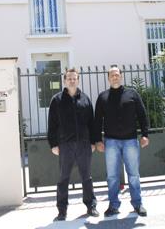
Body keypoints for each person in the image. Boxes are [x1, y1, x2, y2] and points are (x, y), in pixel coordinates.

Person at [93, 65, 149, 217]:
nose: (115, 77)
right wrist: (97, 140)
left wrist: (145, 135)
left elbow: (142, 115)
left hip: (130, 141)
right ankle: (113, 205)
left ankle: (137, 204)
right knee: (112, 176)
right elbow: (97, 120)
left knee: (133, 174)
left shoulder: (132, 94)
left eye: (117, 74)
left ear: (121, 76)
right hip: (111, 142)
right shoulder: (103, 97)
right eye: (112, 75)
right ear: (108, 78)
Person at [47, 68, 99, 221]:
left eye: (74, 78)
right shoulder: (57, 100)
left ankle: (91, 206)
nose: (71, 80)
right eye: (69, 78)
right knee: (64, 178)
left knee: (87, 177)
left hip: (84, 144)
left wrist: (93, 142)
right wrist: (53, 144)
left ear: (78, 80)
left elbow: (92, 122)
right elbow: (52, 124)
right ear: (64, 80)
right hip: (65, 145)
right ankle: (62, 211)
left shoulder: (85, 99)